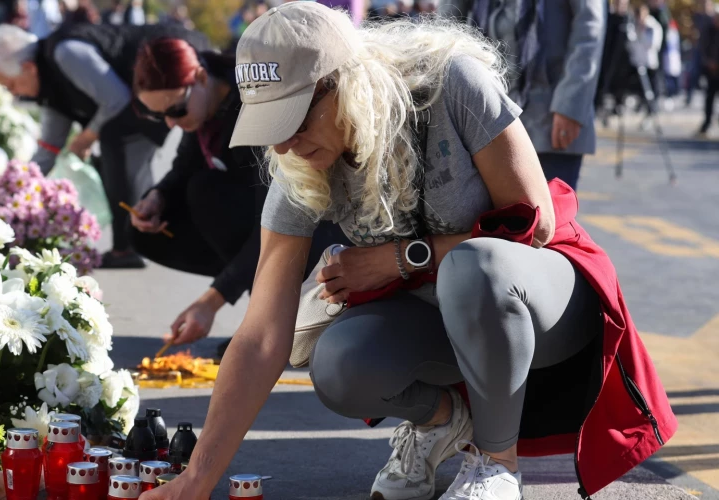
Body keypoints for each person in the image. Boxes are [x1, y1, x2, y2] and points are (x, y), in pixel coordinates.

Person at [139, 3, 676, 500]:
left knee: (476, 267)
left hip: (541, 310)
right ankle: (443, 421)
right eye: (270, 128)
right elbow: (260, 337)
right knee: (339, 362)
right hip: (446, 318)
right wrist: (197, 478)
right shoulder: (301, 164)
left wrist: (401, 259)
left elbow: (536, 224)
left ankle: (497, 465)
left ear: (343, 85)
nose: (284, 145)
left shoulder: (452, 81)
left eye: (295, 120)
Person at [129, 37, 348, 347]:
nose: (171, 123)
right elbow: (183, 168)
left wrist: (212, 300)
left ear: (201, 77)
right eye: (159, 115)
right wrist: (157, 196)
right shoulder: (204, 109)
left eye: (176, 110)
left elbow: (276, 218)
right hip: (267, 221)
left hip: (317, 225)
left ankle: (283, 314)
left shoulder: (251, 106)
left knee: (206, 192)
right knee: (166, 213)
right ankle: (271, 305)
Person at [0, 23, 210, 268]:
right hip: (135, 103)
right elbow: (50, 146)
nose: (14, 93)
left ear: (28, 68)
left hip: (168, 73)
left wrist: (87, 136)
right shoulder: (49, 86)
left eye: (11, 85)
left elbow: (115, 98)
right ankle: (141, 240)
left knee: (120, 149)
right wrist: (15, 187)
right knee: (116, 152)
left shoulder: (66, 53)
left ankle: (134, 246)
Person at [465, 0, 604, 191]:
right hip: (488, 111)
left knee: (550, 217)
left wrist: (571, 105)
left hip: (549, 117)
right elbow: (450, 17)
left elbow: (589, 28)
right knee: (498, 217)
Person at [699, 10, 719, 136]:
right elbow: (703, 48)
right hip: (711, 71)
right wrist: (709, 62)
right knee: (709, 98)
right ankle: (707, 123)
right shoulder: (709, 31)